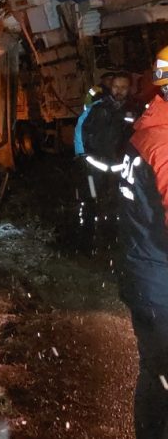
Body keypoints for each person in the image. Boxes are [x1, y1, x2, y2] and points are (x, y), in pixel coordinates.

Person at [116, 45, 168, 439]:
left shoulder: (147, 132)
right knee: (161, 373)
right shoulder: (162, 143)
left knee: (155, 371)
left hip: (145, 274)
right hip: (159, 285)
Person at [76, 72, 136, 226]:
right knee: (91, 196)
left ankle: (112, 229)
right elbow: (80, 128)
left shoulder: (136, 110)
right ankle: (88, 228)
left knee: (117, 199)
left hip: (121, 166)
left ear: (129, 89)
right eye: (116, 86)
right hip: (94, 164)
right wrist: (81, 154)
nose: (119, 90)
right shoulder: (97, 107)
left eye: (123, 87)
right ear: (111, 87)